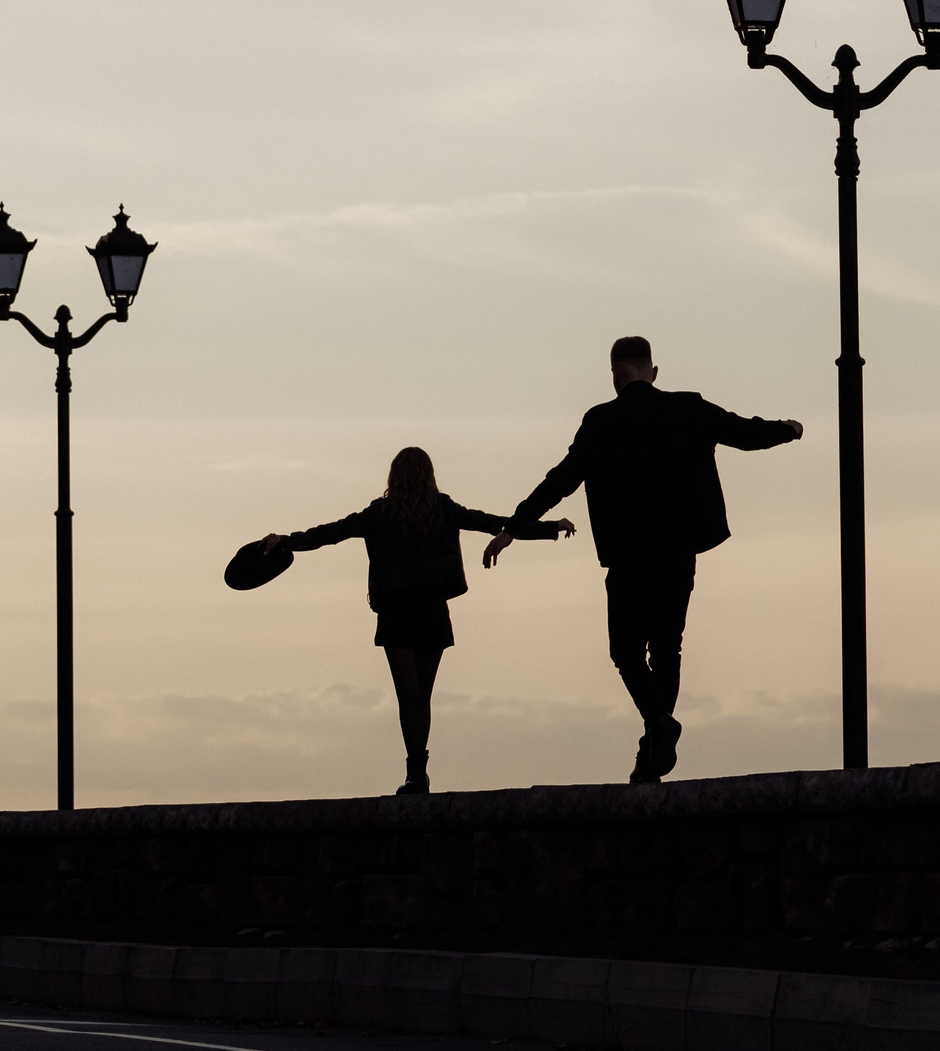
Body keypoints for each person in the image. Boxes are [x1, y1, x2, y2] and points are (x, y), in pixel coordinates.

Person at [487, 336, 802, 786]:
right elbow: (744, 434)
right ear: (653, 372)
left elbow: (560, 480)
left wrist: (514, 527)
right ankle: (654, 743)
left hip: (629, 556)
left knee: (626, 651)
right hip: (678, 552)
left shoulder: (600, 421)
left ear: (615, 375)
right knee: (667, 648)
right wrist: (787, 429)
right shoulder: (688, 408)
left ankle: (657, 729)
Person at [262, 447, 574, 796]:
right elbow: (493, 522)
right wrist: (549, 527)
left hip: (396, 613)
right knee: (419, 696)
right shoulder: (442, 510)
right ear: (429, 475)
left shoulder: (379, 513)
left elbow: (329, 533)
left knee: (409, 695)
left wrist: (285, 541)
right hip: (431, 612)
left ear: (393, 476)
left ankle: (416, 773)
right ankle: (417, 773)